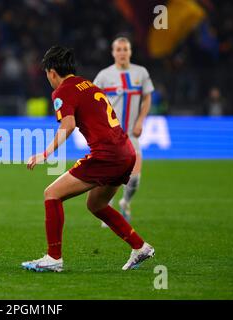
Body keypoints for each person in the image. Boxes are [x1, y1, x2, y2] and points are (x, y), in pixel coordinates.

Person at [21, 46, 154, 272]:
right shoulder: (88, 84)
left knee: (51, 194)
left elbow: (68, 124)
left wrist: (45, 153)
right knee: (96, 204)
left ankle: (54, 258)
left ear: (52, 72)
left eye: (47, 74)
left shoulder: (62, 91)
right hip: (126, 152)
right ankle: (139, 246)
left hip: (107, 155)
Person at [93, 37, 154, 223]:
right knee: (109, 176)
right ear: (113, 53)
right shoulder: (104, 75)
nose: (122, 53)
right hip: (111, 137)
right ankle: (106, 207)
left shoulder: (140, 73)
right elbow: (93, 101)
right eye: (118, 49)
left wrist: (140, 121)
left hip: (130, 134)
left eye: (125, 49)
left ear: (130, 51)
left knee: (134, 179)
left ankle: (125, 202)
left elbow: (147, 97)